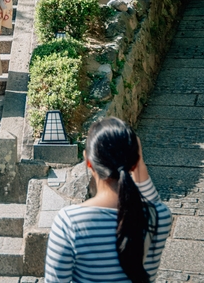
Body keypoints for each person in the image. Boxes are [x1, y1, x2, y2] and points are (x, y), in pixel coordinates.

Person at [44, 117, 172, 283]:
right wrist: (137, 163)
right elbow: (153, 202)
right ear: (135, 163)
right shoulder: (160, 217)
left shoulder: (70, 222)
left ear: (89, 162)